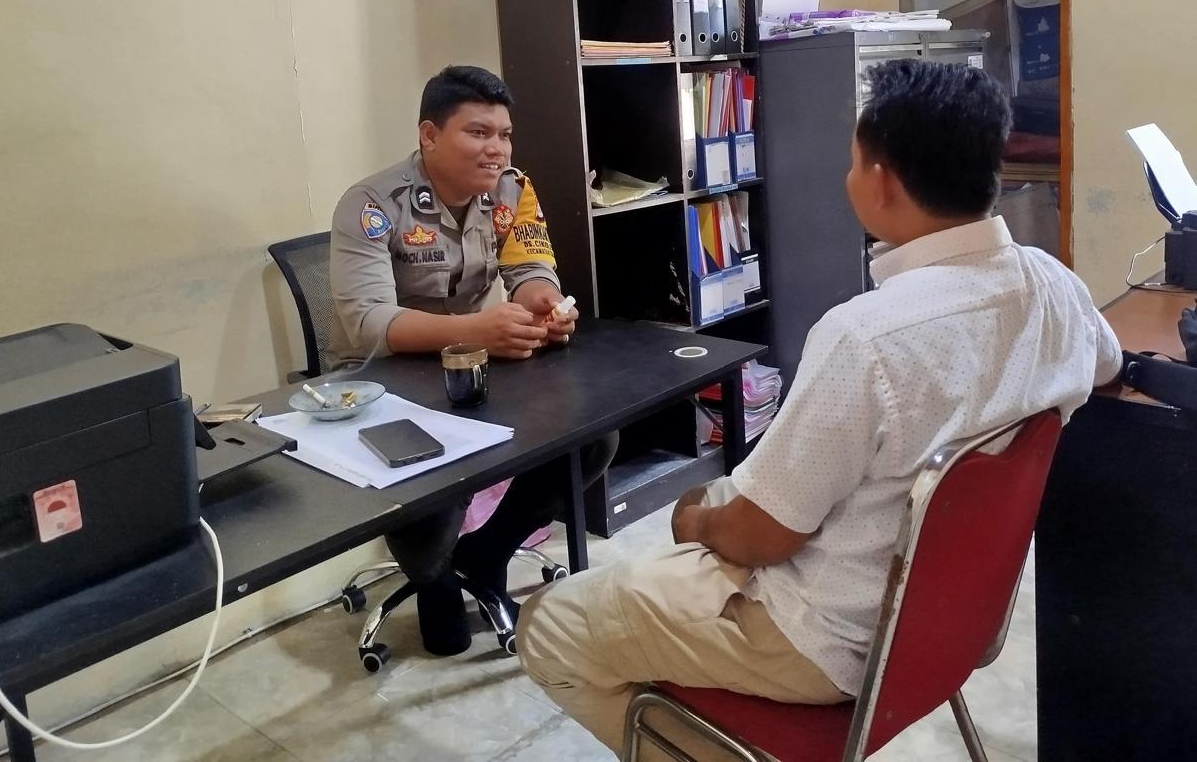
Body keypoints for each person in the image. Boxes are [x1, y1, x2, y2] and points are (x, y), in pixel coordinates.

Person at [517, 59, 1123, 757]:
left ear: (882, 182)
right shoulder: (1053, 284)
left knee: (551, 623)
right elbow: (1106, 368)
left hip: (823, 642)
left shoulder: (865, 337)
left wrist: (695, 522)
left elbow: (762, 537)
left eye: (853, 161)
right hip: (948, 626)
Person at [328, 65, 616, 656]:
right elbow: (369, 324)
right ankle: (432, 573)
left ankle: (486, 555)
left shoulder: (511, 189)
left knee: (592, 439)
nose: (497, 149)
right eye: (478, 132)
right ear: (429, 135)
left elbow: (531, 268)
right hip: (383, 385)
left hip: (471, 368)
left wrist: (544, 304)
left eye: (504, 134)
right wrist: (476, 329)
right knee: (445, 631)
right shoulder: (371, 204)